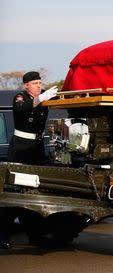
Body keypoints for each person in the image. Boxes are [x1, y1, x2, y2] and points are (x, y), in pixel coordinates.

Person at [1, 71, 58, 249]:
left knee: (35, 193)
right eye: (35, 83)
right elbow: (23, 108)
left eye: (40, 82)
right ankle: (1, 236)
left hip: (37, 148)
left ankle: (35, 236)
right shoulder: (20, 97)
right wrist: (42, 98)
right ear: (26, 85)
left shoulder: (43, 97)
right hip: (21, 149)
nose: (39, 86)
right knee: (15, 194)